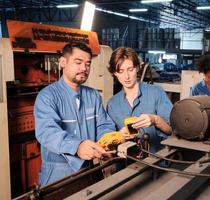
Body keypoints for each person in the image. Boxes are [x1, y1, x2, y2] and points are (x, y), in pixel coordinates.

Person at [34, 42, 116, 185]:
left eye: (88, 64)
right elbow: (47, 131)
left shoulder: (93, 95)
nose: (84, 68)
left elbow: (104, 124)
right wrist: (77, 146)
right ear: (63, 62)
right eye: (78, 62)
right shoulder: (47, 96)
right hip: (58, 175)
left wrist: (107, 141)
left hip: (89, 170)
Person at [107, 47, 172, 153]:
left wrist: (155, 120)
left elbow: (171, 130)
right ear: (114, 73)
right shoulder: (112, 104)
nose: (126, 76)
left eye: (130, 69)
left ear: (137, 68)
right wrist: (120, 136)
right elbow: (111, 140)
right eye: (121, 71)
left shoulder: (156, 93)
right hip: (126, 165)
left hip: (155, 162)